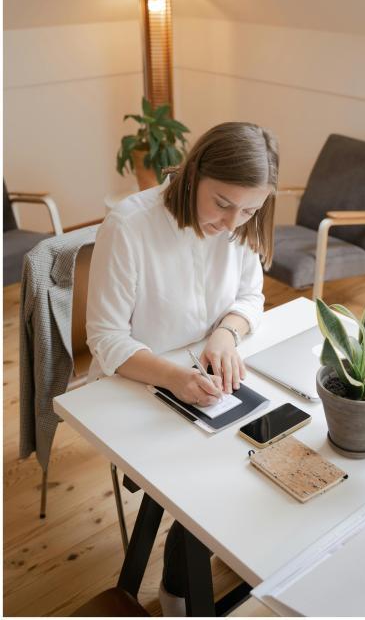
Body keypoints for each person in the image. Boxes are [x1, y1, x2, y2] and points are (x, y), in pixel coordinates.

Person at [86, 121, 279, 615]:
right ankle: (180, 589)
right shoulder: (131, 225)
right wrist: (175, 377)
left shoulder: (240, 224)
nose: (233, 222)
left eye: (250, 209)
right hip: (139, 385)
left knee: (268, 450)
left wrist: (226, 333)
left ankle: (188, 577)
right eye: (222, 203)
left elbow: (250, 295)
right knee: (213, 479)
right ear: (194, 173)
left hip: (210, 371)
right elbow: (106, 338)